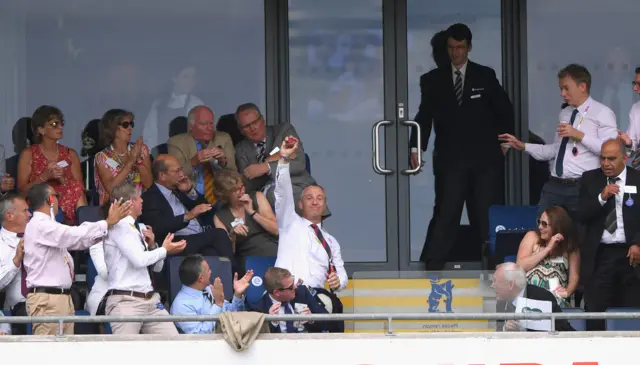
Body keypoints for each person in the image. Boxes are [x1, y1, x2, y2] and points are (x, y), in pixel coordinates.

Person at [410, 24, 514, 270]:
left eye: (460, 47)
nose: (455, 53)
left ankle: (494, 268)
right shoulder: (432, 80)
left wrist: (505, 142)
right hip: (450, 159)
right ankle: (433, 267)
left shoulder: (485, 75)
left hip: (485, 160)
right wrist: (416, 149)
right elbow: (423, 117)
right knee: (447, 211)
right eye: (451, 48)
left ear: (469, 47)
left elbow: (505, 110)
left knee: (485, 213)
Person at [499, 64, 617, 217]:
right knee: (543, 230)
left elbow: (610, 151)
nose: (562, 93)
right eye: (561, 89)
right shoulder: (565, 113)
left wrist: (579, 135)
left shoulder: (603, 113)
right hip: (555, 185)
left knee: (578, 235)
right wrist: (522, 146)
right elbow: (556, 150)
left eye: (566, 88)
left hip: (581, 186)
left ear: (582, 86)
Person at [23, 183, 129, 335]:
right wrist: (107, 222)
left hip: (59, 299)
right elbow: (73, 235)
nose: (59, 200)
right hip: (48, 300)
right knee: (48, 354)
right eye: (57, 196)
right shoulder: (41, 225)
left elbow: (79, 241)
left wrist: (107, 227)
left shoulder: (48, 226)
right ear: (51, 199)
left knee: (65, 354)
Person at [273, 136, 346, 332]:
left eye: (320, 198)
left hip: (315, 300)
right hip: (287, 298)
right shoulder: (289, 223)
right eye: (309, 198)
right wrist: (284, 160)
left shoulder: (331, 242)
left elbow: (341, 274)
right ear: (300, 204)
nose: (315, 202)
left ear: (324, 205)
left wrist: (339, 281)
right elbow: (282, 193)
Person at [102, 182, 186, 334]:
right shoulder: (119, 226)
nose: (142, 201)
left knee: (173, 343)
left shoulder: (138, 228)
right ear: (131, 202)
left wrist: (154, 246)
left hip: (151, 301)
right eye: (139, 197)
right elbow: (139, 260)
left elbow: (157, 268)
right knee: (126, 354)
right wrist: (164, 250)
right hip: (126, 301)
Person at [577, 139, 640, 330]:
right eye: (602, 158)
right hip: (600, 255)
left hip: (630, 256)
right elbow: (580, 214)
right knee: (596, 310)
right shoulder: (589, 179)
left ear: (624, 157)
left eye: (611, 159)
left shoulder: (637, 179)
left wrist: (638, 242)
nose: (605, 163)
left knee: (630, 311)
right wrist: (601, 197)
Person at [234, 103, 327, 217]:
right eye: (247, 126)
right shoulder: (241, 149)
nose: (253, 128)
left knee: (309, 197)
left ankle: (311, 230)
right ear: (241, 130)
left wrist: (265, 167)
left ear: (262, 120)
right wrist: (279, 156)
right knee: (274, 195)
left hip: (297, 184)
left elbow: (299, 162)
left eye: (255, 122)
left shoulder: (283, 131)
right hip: (266, 194)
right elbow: (248, 181)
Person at [140, 155, 234, 260]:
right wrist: (188, 216)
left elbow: (207, 210)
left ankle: (230, 274)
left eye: (181, 169)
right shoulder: (150, 198)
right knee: (219, 234)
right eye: (177, 171)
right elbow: (157, 228)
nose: (182, 174)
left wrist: (190, 191)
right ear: (162, 175)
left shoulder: (178, 188)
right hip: (177, 242)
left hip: (198, 236)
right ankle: (236, 273)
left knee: (211, 253)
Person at [17, 105, 87, 223]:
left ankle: (83, 229)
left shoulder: (70, 154)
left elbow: (80, 187)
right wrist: (44, 177)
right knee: (50, 193)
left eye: (61, 123)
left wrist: (62, 178)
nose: (60, 127)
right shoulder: (29, 154)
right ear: (41, 130)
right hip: (40, 201)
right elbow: (22, 192)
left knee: (76, 190)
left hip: (67, 201)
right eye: (54, 124)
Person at [167, 105, 236, 205]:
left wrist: (222, 161)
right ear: (191, 126)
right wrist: (193, 162)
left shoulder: (223, 138)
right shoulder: (176, 142)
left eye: (211, 123)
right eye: (204, 124)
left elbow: (234, 172)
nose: (209, 128)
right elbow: (174, 177)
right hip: (190, 199)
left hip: (221, 197)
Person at [170, 254, 252, 334]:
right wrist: (217, 304)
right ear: (201, 278)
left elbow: (232, 313)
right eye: (208, 269)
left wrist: (238, 295)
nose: (211, 272)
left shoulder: (208, 289)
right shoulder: (182, 305)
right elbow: (200, 334)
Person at [516, 206, 580, 307]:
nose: (540, 227)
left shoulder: (569, 246)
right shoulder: (532, 237)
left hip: (556, 298)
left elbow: (574, 277)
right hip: (529, 297)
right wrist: (547, 249)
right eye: (539, 222)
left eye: (544, 224)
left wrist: (567, 292)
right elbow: (520, 266)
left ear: (556, 226)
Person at [213, 169, 278, 262]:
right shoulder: (219, 217)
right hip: (248, 259)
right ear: (226, 194)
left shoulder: (257, 196)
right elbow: (228, 254)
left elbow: (276, 230)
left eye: (242, 186)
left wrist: (252, 212)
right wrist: (232, 236)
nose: (242, 191)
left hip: (272, 248)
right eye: (236, 190)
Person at [493, 262, 574, 332]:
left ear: (510, 285)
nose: (492, 285)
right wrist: (505, 329)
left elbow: (564, 330)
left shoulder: (542, 297)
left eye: (496, 281)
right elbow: (497, 334)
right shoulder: (501, 301)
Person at [94, 109, 153, 204]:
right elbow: (111, 189)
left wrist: (138, 160)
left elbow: (149, 184)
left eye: (131, 124)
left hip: (141, 205)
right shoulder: (102, 157)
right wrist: (130, 161)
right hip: (114, 207)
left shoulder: (141, 149)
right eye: (125, 125)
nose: (130, 128)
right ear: (112, 128)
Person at [252, 267, 330, 334]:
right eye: (290, 286)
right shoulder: (260, 309)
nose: (295, 287)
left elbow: (328, 322)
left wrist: (311, 319)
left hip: (307, 342)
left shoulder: (302, 292)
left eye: (293, 281)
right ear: (277, 292)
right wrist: (273, 322)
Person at [142, 66, 204, 149]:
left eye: (193, 77)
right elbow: (150, 135)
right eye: (186, 77)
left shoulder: (196, 104)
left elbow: (201, 136)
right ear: (174, 78)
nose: (191, 81)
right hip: (161, 156)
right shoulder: (159, 104)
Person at [0, 194, 30, 334]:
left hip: (48, 300)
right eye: (25, 211)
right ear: (9, 216)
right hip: (21, 307)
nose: (30, 214)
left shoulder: (39, 236)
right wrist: (16, 260)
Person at [616, 66, 640, 169]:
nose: (634, 88)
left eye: (639, 84)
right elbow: (632, 148)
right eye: (634, 84)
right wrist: (628, 142)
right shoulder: (635, 109)